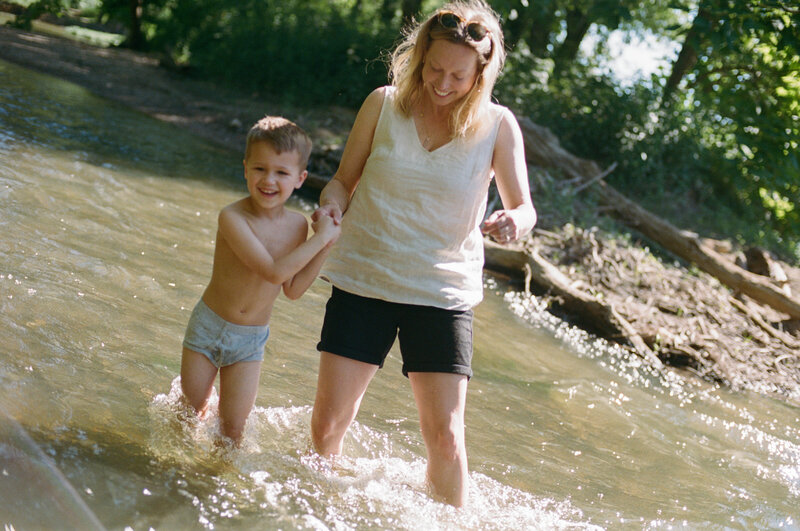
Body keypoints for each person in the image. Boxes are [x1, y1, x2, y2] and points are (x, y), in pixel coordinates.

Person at [309, 0, 536, 507]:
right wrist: (329, 209)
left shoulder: (498, 126)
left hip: (442, 293)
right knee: (327, 425)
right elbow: (342, 182)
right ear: (419, 57)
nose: (442, 82)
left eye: (458, 75)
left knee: (446, 439)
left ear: (481, 74)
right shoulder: (383, 103)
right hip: (364, 278)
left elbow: (525, 209)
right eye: (434, 67)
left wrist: (511, 222)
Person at [180, 116, 340, 444]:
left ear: (300, 178)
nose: (269, 180)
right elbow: (272, 271)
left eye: (281, 172)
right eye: (260, 169)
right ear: (245, 169)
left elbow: (293, 289)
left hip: (250, 341)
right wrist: (319, 238)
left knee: (233, 429)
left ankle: (213, 483)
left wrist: (327, 244)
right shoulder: (233, 217)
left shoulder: (297, 227)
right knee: (189, 413)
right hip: (208, 328)